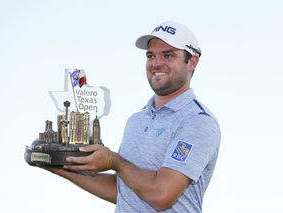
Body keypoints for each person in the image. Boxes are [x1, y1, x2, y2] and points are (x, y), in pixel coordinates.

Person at [42, 21, 221, 213]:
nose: (156, 63)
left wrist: (114, 161)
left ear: (192, 62)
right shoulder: (137, 120)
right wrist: (61, 168)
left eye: (168, 55)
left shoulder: (198, 121)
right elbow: (123, 191)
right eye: (150, 56)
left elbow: (161, 195)